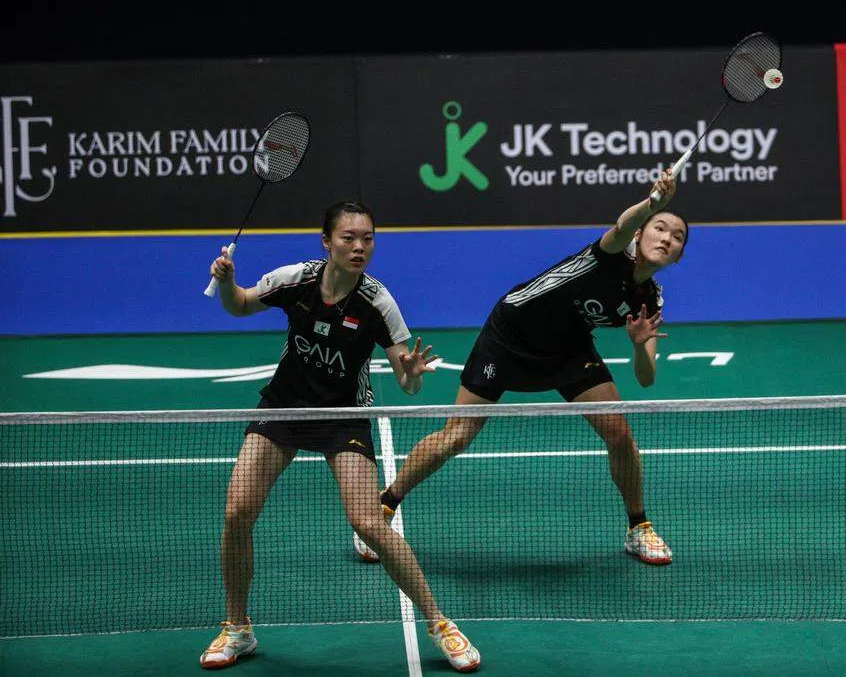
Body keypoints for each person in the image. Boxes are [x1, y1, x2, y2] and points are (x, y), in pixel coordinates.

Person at [200, 200, 481, 673]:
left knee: (369, 522)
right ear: (326, 242)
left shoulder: (378, 302)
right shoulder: (295, 280)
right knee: (237, 511)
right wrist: (227, 282)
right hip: (285, 407)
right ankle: (237, 628)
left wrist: (412, 374)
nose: (359, 247)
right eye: (348, 238)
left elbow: (407, 382)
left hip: (344, 416)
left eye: (367, 238)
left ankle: (440, 623)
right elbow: (241, 305)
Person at [355, 170, 685, 567]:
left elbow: (646, 378)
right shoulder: (612, 252)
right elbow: (621, 225)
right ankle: (385, 504)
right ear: (640, 234)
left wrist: (637, 346)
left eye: (676, 237)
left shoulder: (650, 300)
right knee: (456, 436)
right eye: (659, 228)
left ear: (678, 255)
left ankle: (638, 526)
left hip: (567, 348)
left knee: (620, 433)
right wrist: (652, 203)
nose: (666, 238)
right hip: (510, 335)